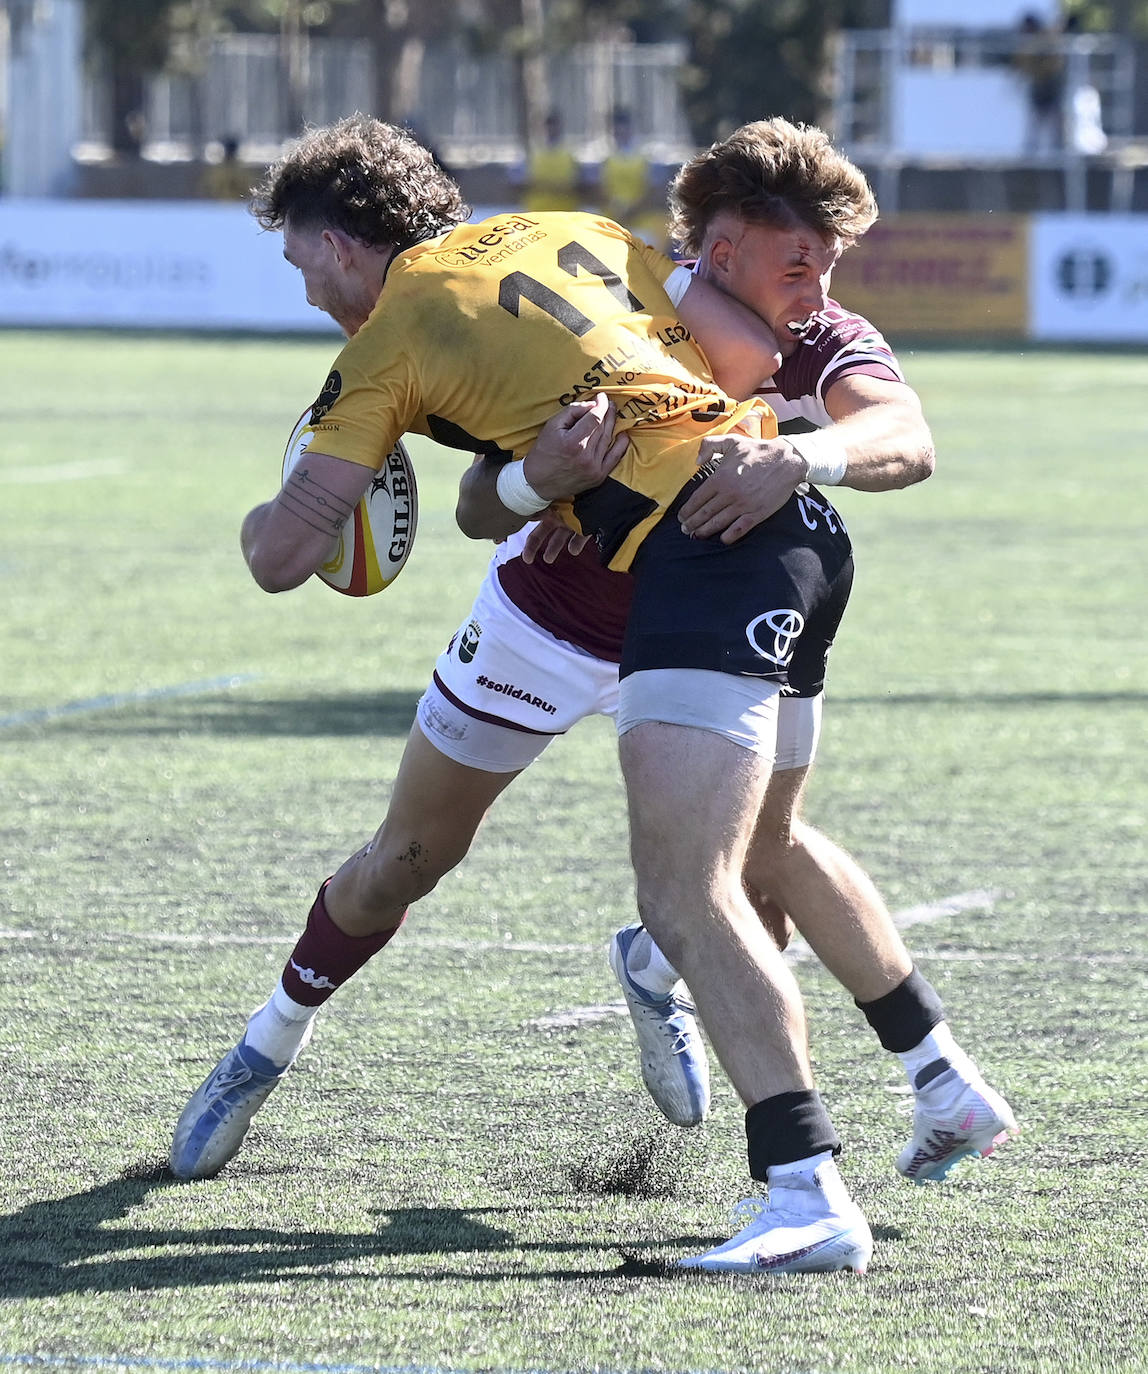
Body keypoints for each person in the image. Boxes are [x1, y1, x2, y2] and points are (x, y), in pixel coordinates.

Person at [168, 116, 1012, 1276]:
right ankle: (265, 1048)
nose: (307, 291)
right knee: (421, 859)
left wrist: (281, 502)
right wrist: (540, 478)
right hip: (642, 582)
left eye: (301, 262)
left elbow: (279, 561)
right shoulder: (583, 236)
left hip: (705, 558)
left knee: (708, 879)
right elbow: (707, 367)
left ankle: (809, 1179)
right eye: (789, 257)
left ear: (337, 243)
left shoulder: (387, 350)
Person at [510, 109, 584, 213]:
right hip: (537, 213)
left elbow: (580, 185)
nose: (551, 130)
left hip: (564, 212)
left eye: (554, 126)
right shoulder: (533, 155)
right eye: (549, 127)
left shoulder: (569, 156)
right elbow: (517, 183)